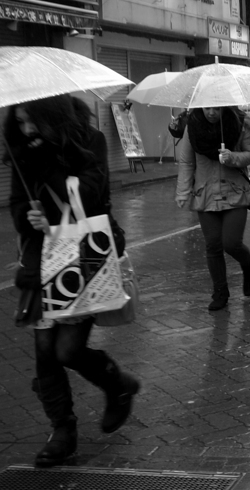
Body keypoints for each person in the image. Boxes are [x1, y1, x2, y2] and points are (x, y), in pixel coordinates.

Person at [5, 95, 140, 467]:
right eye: (19, 121)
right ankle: (62, 430)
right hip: (40, 257)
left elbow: (92, 196)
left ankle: (117, 385)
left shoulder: (89, 140)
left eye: (31, 120)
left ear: (51, 114)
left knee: (67, 350)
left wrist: (47, 164)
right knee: (44, 350)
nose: (26, 129)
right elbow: (17, 203)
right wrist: (28, 216)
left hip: (81, 254)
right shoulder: (21, 151)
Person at [176, 107, 250, 312]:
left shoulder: (239, 124)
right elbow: (187, 161)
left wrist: (233, 157)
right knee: (213, 245)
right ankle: (220, 292)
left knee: (231, 243)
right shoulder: (193, 126)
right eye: (207, 108)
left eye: (216, 108)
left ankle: (248, 264)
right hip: (205, 193)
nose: (211, 113)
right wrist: (183, 191)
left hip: (235, 192)